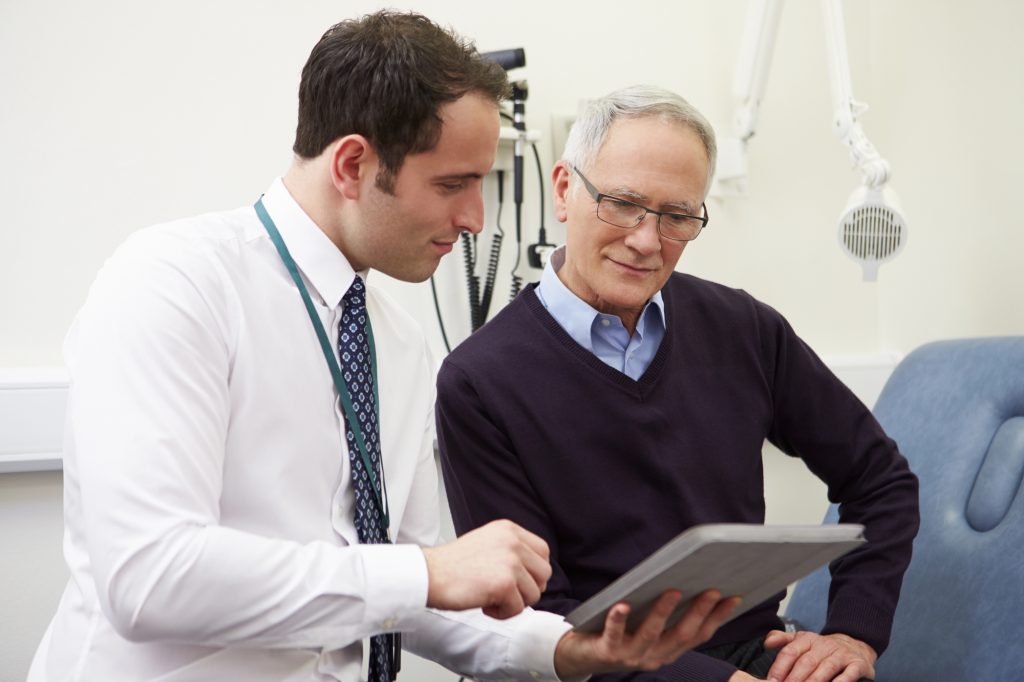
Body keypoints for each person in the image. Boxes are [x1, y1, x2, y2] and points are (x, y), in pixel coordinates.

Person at [27, 18, 738, 682]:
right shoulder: (175, 284)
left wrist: (568, 648)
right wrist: (425, 572)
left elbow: (418, 598)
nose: (474, 219)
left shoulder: (395, 342)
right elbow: (150, 577)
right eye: (453, 185)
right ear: (352, 165)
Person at [435, 85, 920, 682]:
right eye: (622, 204)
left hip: (755, 653)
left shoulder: (745, 329)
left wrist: (854, 632)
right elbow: (537, 620)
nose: (646, 240)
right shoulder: (479, 383)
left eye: (677, 216)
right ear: (563, 190)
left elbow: (882, 480)